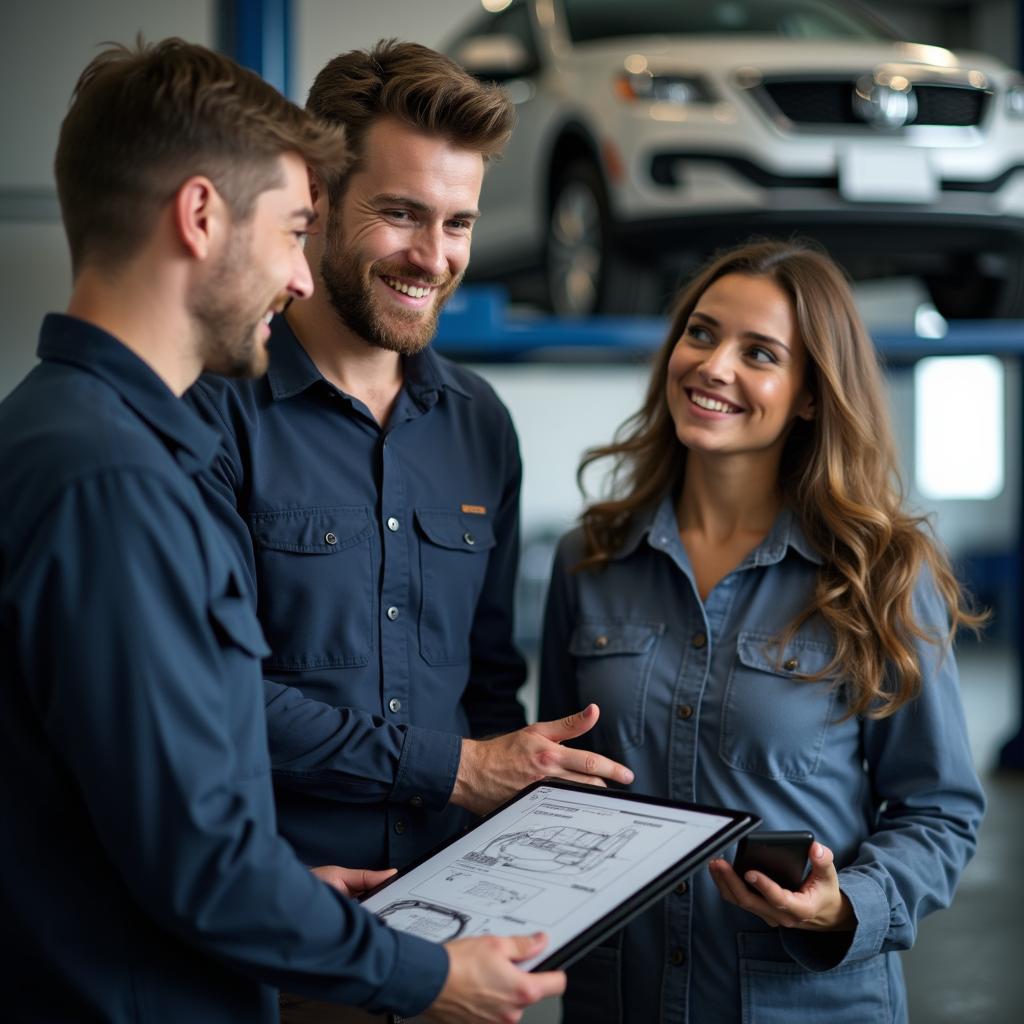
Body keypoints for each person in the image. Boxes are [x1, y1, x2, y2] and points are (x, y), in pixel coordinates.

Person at [0, 38, 565, 1024]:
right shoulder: (120, 468)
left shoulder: (94, 437)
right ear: (203, 216)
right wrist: (416, 970)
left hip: (334, 928)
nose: (297, 276)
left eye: (458, 221)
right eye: (297, 226)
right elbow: (193, 848)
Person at [186, 39, 633, 882]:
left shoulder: (480, 426)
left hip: (448, 931)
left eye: (457, 222)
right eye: (401, 213)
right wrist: (457, 769)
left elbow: (492, 688)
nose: (434, 257)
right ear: (315, 199)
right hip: (279, 921)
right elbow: (208, 692)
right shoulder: (214, 410)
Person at [539, 239, 987, 1023]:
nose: (714, 367)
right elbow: (559, 787)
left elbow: (939, 811)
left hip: (804, 1003)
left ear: (811, 394)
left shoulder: (880, 571)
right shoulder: (592, 558)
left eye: (760, 353)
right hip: (622, 998)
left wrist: (846, 905)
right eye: (702, 333)